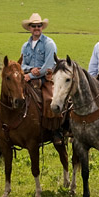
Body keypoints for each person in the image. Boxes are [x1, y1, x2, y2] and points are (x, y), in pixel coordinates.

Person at [20, 12, 63, 144]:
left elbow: (48, 66)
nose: (36, 28)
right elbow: (21, 64)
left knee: (50, 99)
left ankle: (56, 131)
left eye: (39, 25)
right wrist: (29, 70)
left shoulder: (49, 43)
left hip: (46, 78)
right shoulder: (25, 46)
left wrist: (31, 75)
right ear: (30, 28)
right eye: (34, 26)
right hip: (28, 77)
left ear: (42, 27)